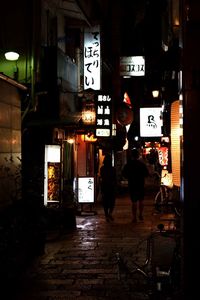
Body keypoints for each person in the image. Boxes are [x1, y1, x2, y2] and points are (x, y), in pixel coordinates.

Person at [122, 148, 149, 223]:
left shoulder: (128, 164)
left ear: (131, 156)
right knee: (141, 200)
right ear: (138, 156)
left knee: (134, 201)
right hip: (140, 184)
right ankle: (140, 214)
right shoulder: (141, 164)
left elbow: (124, 174)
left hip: (132, 185)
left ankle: (134, 217)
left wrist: (129, 177)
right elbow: (146, 174)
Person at [99, 154, 117, 222]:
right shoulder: (113, 169)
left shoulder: (102, 169)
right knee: (112, 201)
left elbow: (102, 177)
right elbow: (115, 179)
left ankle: (106, 215)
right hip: (111, 187)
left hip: (104, 186)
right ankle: (110, 213)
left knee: (105, 202)